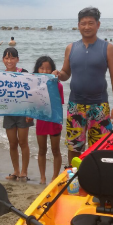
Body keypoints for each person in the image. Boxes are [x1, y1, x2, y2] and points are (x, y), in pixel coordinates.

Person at [57, 7, 113, 166]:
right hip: (75, 105)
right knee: (74, 146)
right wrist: (58, 75)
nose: (87, 27)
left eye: (90, 23)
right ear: (78, 25)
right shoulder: (71, 48)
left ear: (98, 25)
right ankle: (72, 174)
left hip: (99, 106)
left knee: (100, 147)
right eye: (83, 23)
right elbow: (66, 73)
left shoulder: (108, 48)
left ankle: (97, 176)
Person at [0, 47, 33, 182]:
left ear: (17, 59)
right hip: (8, 113)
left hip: (23, 113)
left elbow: (30, 93)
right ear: (3, 60)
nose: (9, 61)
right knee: (12, 143)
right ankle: (15, 171)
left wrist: (29, 111)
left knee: (23, 142)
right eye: (6, 58)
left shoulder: (24, 73)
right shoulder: (1, 76)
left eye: (12, 58)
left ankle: (24, 171)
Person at [31, 56, 65, 185]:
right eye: (42, 68)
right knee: (42, 150)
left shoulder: (58, 86)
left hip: (54, 121)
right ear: (37, 69)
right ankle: (42, 177)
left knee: (56, 150)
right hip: (41, 121)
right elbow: (32, 103)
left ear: (53, 70)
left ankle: (55, 177)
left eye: (48, 68)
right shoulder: (34, 86)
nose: (44, 71)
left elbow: (59, 104)